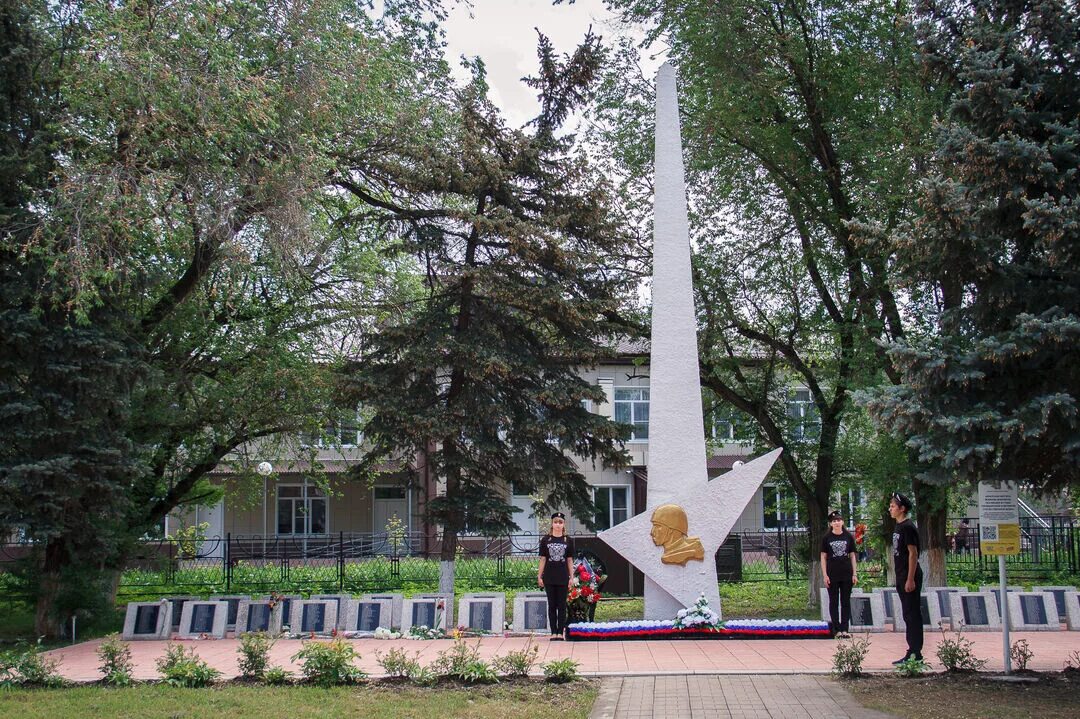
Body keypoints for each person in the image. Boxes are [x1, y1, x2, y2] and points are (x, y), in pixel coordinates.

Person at [889, 492, 923, 663]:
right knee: (907, 614)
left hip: (910, 575)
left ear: (902, 509)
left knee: (912, 614)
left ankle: (916, 653)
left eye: (893, 506)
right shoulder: (899, 526)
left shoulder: (908, 527)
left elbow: (913, 553)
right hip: (902, 575)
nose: (890, 509)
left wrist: (910, 579)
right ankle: (912, 650)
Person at [820, 510, 858, 638]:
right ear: (831, 524)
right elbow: (823, 557)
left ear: (842, 522)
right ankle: (836, 629)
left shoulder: (848, 536)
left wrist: (854, 574)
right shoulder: (827, 538)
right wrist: (825, 575)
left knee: (845, 601)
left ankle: (845, 629)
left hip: (846, 573)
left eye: (838, 520)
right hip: (832, 573)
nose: (836, 522)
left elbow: (852, 556)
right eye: (834, 521)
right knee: (834, 601)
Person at [538, 512, 575, 640]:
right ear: (552, 523)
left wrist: (572, 577)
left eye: (560, 522)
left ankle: (561, 632)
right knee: (552, 605)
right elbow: (543, 559)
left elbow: (570, 560)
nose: (557, 525)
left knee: (561, 605)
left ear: (564, 524)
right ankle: (553, 632)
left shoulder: (568, 540)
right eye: (555, 522)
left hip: (563, 576)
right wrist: (539, 576)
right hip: (549, 576)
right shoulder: (546, 540)